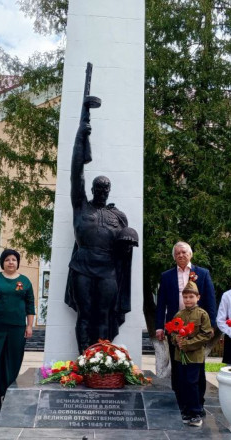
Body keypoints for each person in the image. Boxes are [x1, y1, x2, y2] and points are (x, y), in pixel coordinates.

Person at [64, 76, 138, 353]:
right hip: (83, 265)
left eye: (106, 188)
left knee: (105, 313)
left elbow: (124, 250)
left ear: (110, 191)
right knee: (85, 313)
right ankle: (85, 358)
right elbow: (75, 173)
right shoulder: (81, 205)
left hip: (107, 268)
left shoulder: (118, 216)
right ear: (94, 188)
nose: (102, 191)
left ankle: (103, 357)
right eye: (99, 187)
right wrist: (81, 135)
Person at [155, 241, 217, 410]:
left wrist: (211, 325)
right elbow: (161, 303)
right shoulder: (166, 276)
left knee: (197, 367)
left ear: (190, 254)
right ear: (174, 257)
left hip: (197, 328)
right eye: (177, 253)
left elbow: (210, 300)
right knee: (178, 367)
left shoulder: (202, 273)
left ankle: (198, 404)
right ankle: (180, 402)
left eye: (183, 252)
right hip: (175, 328)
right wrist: (159, 326)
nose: (180, 255)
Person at [0, 248, 35, 409]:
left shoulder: (25, 281)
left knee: (13, 361)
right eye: (7, 259)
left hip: (17, 328)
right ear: (2, 263)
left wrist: (29, 326)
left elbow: (30, 305)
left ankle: (7, 393)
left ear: (18, 263)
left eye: (14, 260)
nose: (11, 262)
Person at [169, 281, 214, 427]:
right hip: (180, 356)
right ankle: (186, 410)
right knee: (182, 383)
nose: (188, 300)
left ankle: (196, 412)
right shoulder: (179, 314)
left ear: (198, 297)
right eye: (185, 297)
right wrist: (177, 340)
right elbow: (173, 333)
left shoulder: (202, 314)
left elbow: (206, 334)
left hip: (195, 356)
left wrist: (188, 343)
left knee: (193, 383)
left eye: (191, 297)